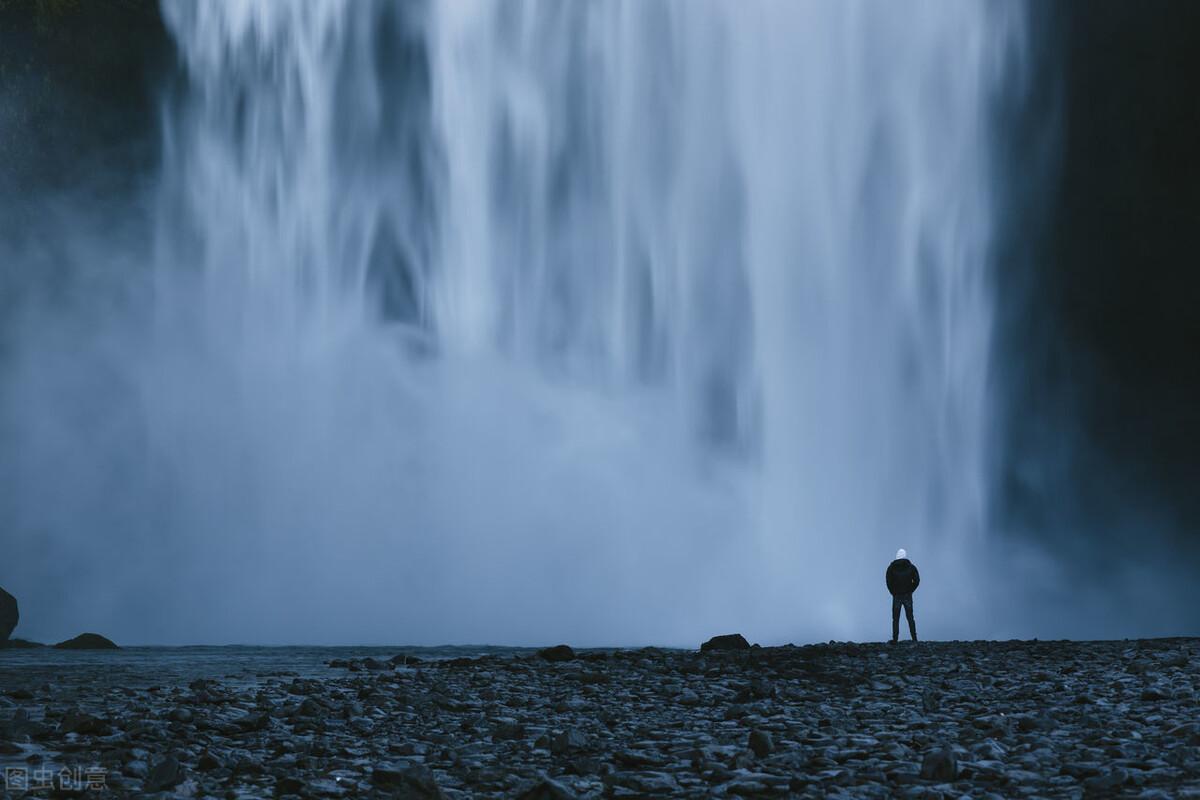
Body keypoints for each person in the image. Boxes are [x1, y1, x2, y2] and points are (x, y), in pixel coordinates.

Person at [886, 548, 919, 643]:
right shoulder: (911, 567)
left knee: (895, 618)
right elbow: (917, 580)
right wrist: (911, 590)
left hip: (897, 596)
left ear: (897, 556)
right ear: (905, 556)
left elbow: (888, 581)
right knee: (910, 617)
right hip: (907, 595)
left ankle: (895, 639)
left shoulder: (891, 568)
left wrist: (893, 592)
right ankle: (914, 638)